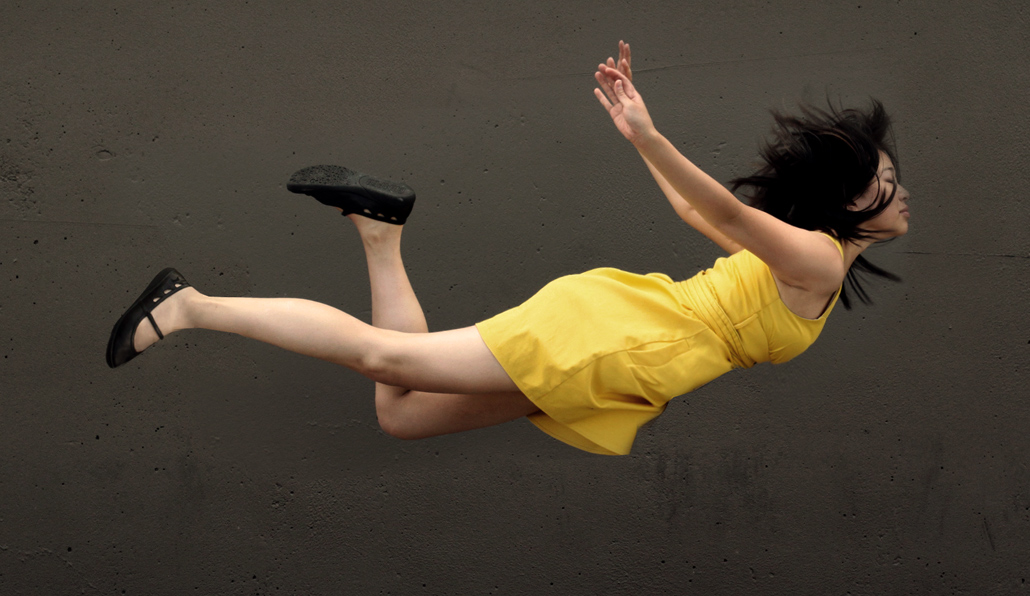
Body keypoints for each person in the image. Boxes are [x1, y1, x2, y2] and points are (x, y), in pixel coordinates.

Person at [106, 41, 910, 455]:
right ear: (848, 205)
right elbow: (723, 213)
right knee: (387, 359)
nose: (902, 192)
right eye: (886, 180)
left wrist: (642, 139)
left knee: (401, 415)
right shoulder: (815, 259)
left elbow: (697, 211)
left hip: (627, 368)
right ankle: (191, 305)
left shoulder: (801, 262)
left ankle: (381, 234)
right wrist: (645, 135)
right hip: (613, 339)